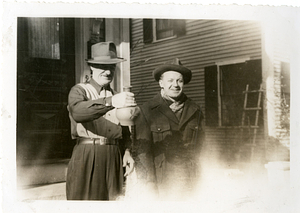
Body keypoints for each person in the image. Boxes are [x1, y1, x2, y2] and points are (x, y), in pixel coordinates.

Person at [66, 41, 135, 200]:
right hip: (88, 153)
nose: (107, 71)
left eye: (111, 66)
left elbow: (126, 130)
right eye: (101, 66)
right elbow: (78, 112)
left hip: (114, 155)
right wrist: (110, 102)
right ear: (91, 67)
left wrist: (127, 151)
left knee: (113, 201)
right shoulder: (79, 90)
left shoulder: (118, 96)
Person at [131, 58, 204, 201]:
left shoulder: (195, 110)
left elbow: (201, 147)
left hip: (189, 180)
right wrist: (149, 184)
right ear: (161, 83)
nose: (175, 85)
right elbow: (142, 153)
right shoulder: (147, 110)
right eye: (170, 80)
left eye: (179, 81)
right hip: (160, 180)